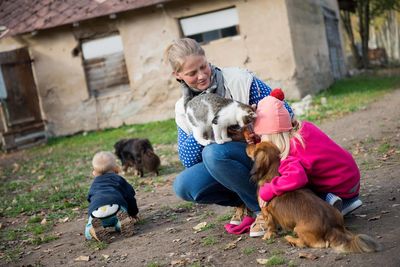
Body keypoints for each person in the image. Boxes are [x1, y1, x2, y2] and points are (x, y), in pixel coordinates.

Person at [164, 38, 294, 237]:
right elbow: (188, 159)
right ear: (178, 75)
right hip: (230, 163)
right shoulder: (183, 108)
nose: (201, 76)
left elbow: (285, 111)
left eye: (203, 66)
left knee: (214, 153)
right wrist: (207, 120)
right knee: (185, 185)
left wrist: (249, 122)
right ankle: (247, 201)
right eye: (191, 73)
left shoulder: (238, 80)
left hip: (266, 152)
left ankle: (266, 209)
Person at [253, 88, 363, 231]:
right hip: (350, 179)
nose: (261, 140)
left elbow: (296, 178)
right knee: (311, 172)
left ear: (272, 137)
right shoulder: (305, 129)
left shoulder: (291, 153)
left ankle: (328, 201)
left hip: (340, 188)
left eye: (262, 137)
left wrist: (268, 190)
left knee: (294, 187)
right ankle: (336, 199)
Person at [85, 151, 139, 241]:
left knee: (88, 228)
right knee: (117, 219)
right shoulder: (119, 180)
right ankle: (121, 224)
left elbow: (90, 199)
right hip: (116, 208)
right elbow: (130, 197)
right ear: (116, 169)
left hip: (96, 212)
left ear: (94, 172)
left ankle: (92, 230)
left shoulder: (94, 184)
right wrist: (133, 213)